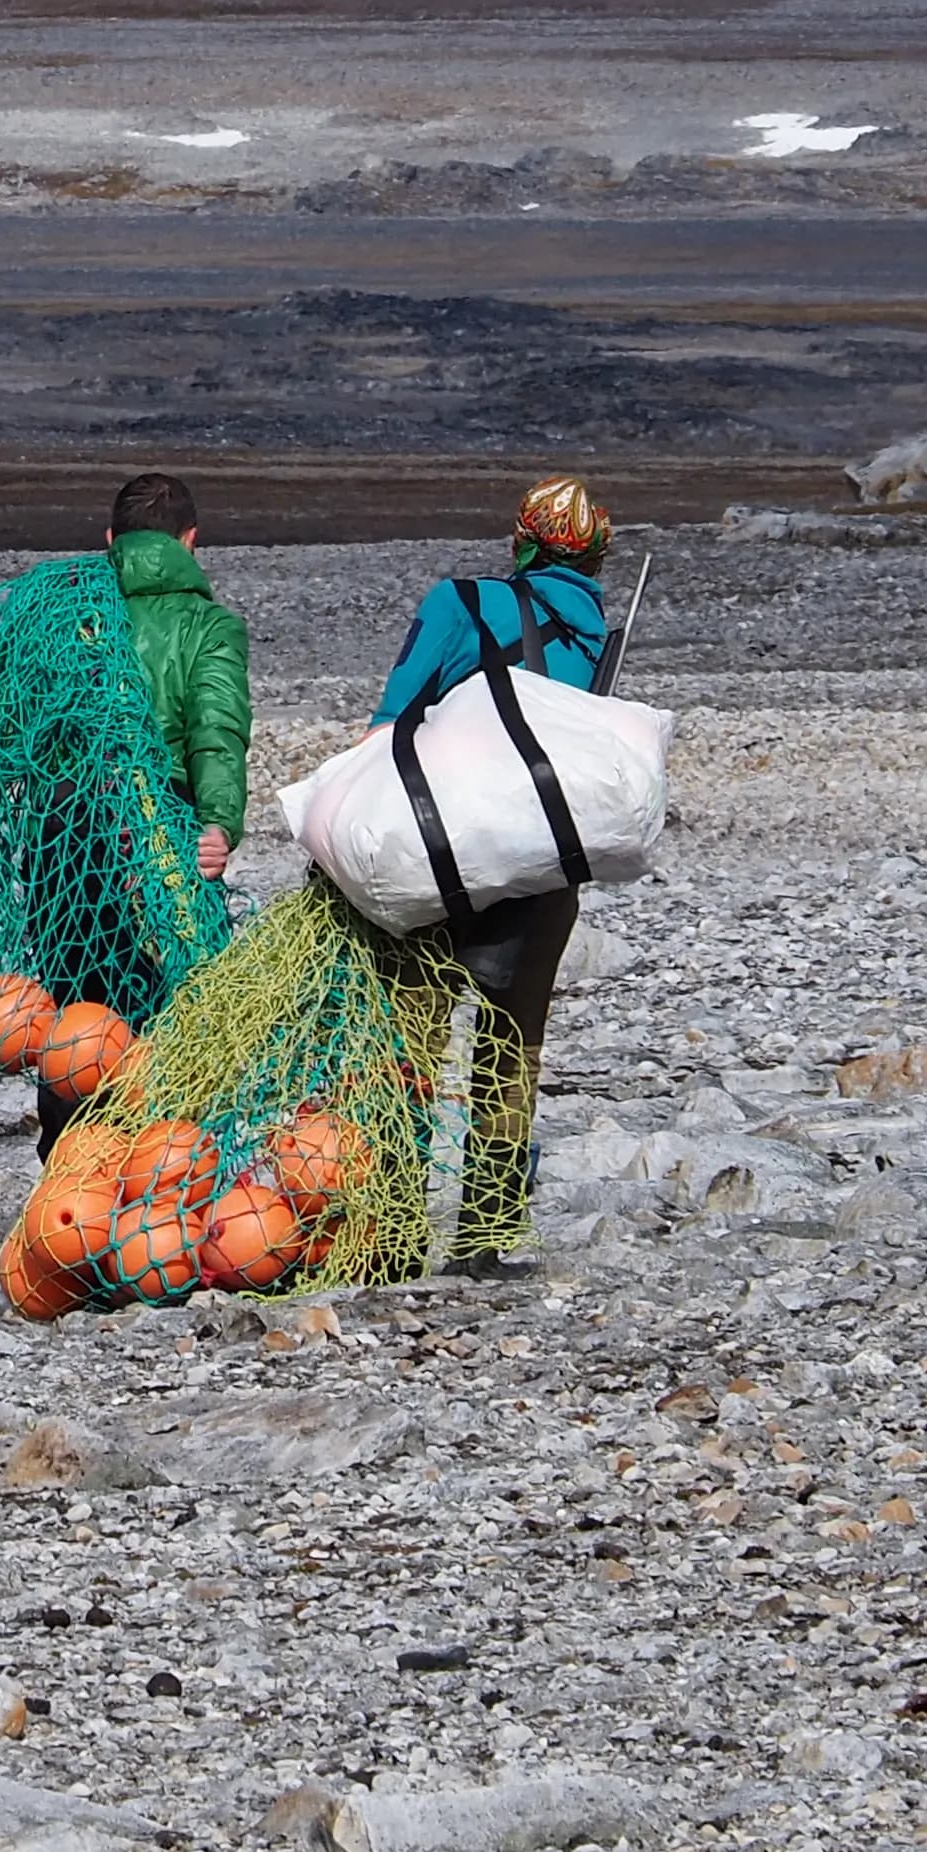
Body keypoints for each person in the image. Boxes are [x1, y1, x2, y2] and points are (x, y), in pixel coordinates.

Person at [368, 475, 616, 1272]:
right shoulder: (593, 634)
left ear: (522, 542)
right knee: (511, 1050)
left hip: (442, 858)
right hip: (541, 870)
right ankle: (488, 1230)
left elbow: (390, 723)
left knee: (411, 1040)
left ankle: (396, 1228)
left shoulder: (458, 602)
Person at [32, 471, 252, 1151]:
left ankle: (69, 1178)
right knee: (167, 1006)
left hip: (64, 840)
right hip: (162, 843)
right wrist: (218, 823)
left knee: (75, 1010)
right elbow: (217, 732)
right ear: (191, 541)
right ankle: (158, 1179)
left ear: (110, 541)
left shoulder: (66, 618)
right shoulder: (209, 629)